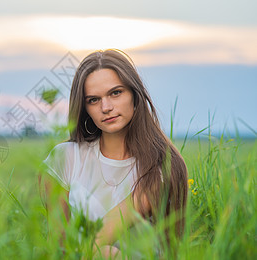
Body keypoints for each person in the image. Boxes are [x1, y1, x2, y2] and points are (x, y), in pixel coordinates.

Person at [40, 49, 188, 258]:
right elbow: (58, 245)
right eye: (93, 100)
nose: (106, 107)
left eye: (116, 93)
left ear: (134, 95)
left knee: (106, 253)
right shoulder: (64, 158)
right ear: (85, 108)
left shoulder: (159, 166)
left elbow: (100, 240)